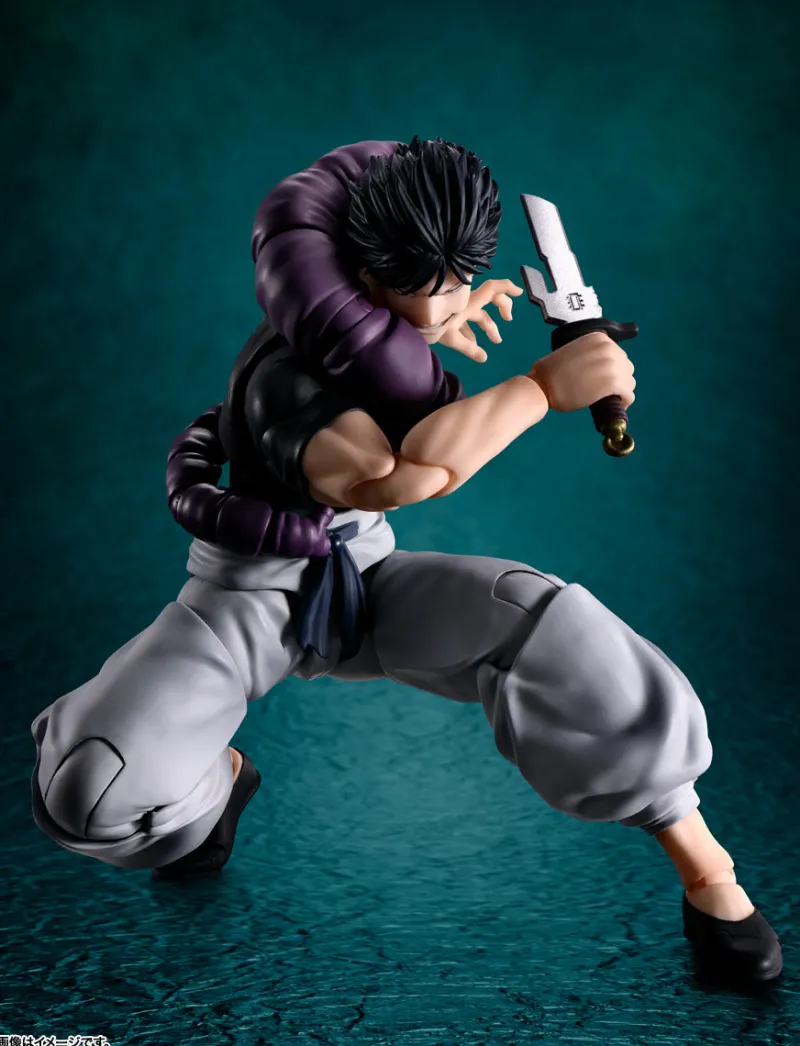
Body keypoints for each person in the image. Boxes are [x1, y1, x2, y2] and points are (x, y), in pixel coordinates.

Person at [30, 138, 781, 985]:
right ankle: (209, 800)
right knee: (93, 785)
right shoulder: (288, 376)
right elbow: (395, 478)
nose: (445, 306)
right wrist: (540, 389)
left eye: (460, 281)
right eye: (423, 285)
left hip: (368, 578)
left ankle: (707, 871)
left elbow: (401, 399)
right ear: (361, 274)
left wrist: (439, 315)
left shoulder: (394, 338)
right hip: (250, 596)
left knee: (543, 620)